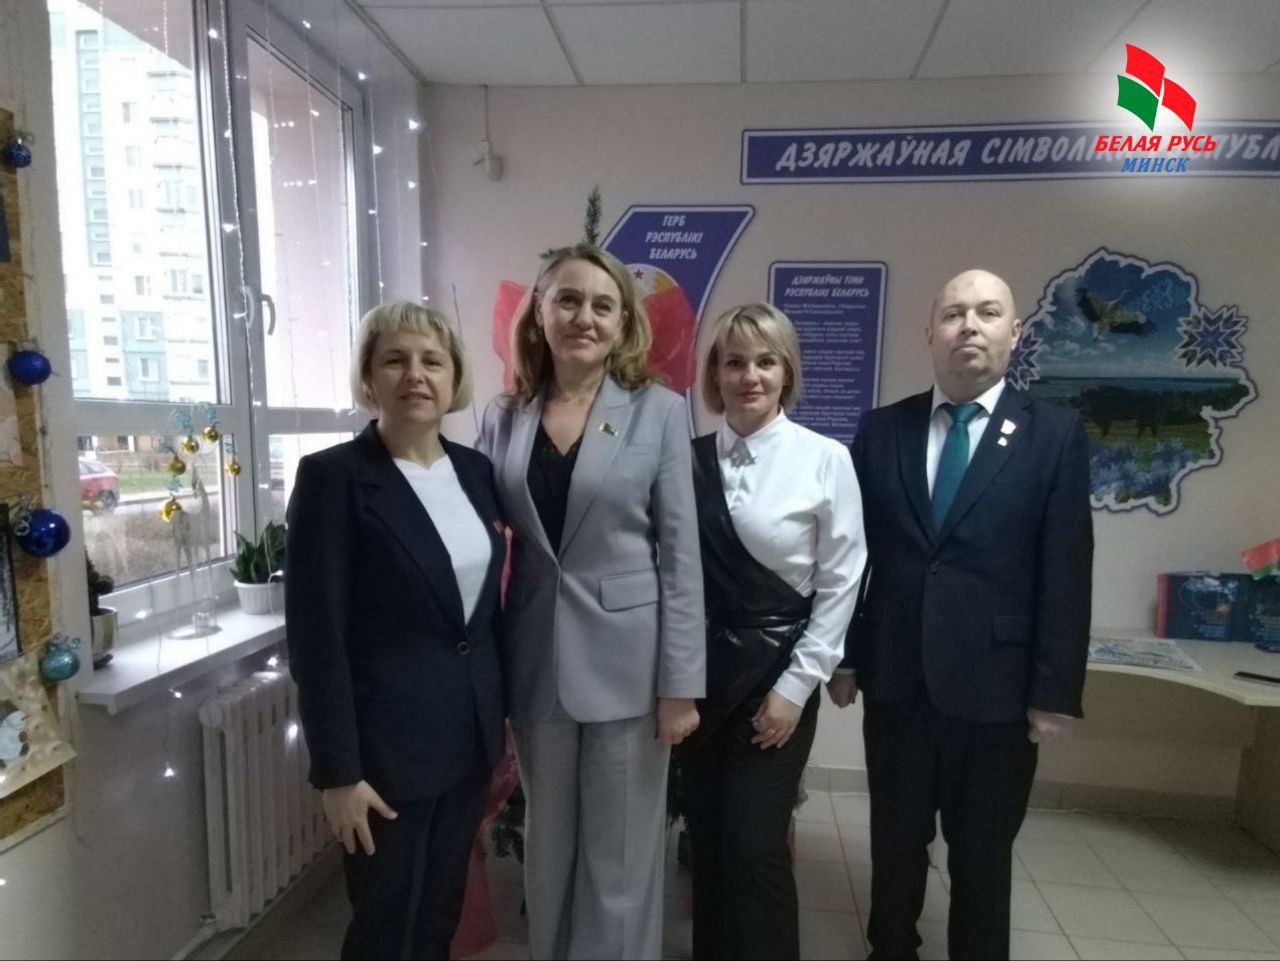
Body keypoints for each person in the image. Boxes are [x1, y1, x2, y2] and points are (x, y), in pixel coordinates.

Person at [828, 269, 1094, 960]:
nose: (968, 325)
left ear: (1015, 332)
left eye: (987, 312)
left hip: (998, 692)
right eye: (952, 313)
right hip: (897, 682)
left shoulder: (1054, 434)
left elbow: (1066, 571)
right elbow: (852, 557)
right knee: (894, 842)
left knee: (982, 853)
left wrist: (1054, 690)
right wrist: (846, 657)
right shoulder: (881, 429)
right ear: (930, 333)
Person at [477, 243, 704, 960]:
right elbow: (483, 541)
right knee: (548, 850)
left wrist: (680, 685)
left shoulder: (658, 412)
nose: (585, 316)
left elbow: (682, 558)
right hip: (536, 663)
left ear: (623, 323)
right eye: (568, 300)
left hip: (629, 671)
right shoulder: (505, 416)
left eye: (603, 305)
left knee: (622, 858)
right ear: (539, 314)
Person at [285, 302, 507, 961]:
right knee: (383, 926)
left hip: (467, 738)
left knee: (438, 915)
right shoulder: (333, 478)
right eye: (395, 360)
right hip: (383, 753)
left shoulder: (475, 472)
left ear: (454, 377)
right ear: (368, 377)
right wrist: (338, 773)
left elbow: (478, 614)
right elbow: (316, 639)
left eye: (432, 361)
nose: (416, 374)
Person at [681, 303, 866, 960]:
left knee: (755, 848)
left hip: (776, 682)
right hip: (699, 683)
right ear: (715, 374)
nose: (749, 375)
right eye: (734, 362)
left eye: (765, 361)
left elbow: (842, 583)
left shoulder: (825, 459)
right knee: (707, 842)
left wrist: (795, 687)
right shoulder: (685, 461)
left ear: (787, 371)